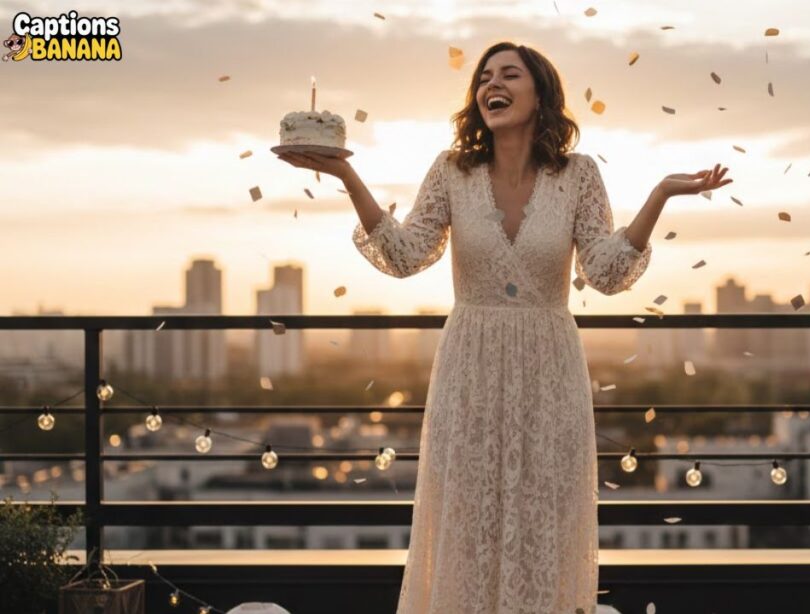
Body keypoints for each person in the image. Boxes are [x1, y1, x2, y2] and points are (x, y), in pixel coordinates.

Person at [278, 41, 731, 614]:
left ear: (540, 93)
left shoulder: (579, 176)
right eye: (485, 75)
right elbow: (404, 254)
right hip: (470, 369)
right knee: (467, 525)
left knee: (546, 524)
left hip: (550, 372)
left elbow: (608, 272)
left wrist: (661, 194)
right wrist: (347, 175)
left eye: (509, 74)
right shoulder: (451, 171)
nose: (493, 82)